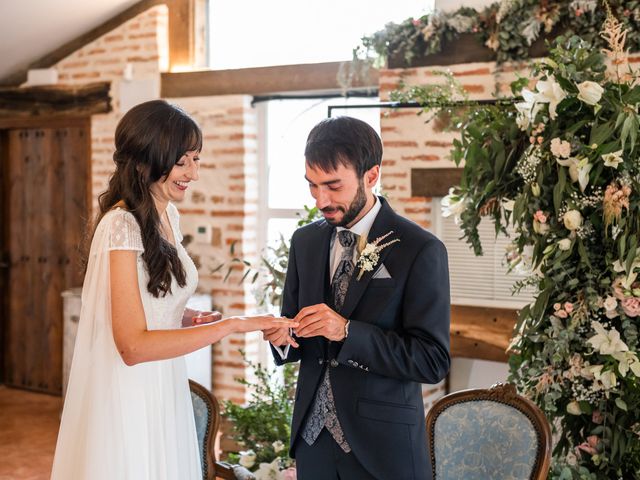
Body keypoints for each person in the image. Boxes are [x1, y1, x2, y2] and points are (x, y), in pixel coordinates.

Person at [51, 99, 295, 480]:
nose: (193, 173)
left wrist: (183, 317)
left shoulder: (168, 214)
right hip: (129, 391)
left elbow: (144, 301)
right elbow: (132, 347)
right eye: (183, 161)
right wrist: (231, 325)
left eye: (196, 159)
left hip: (163, 383)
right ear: (146, 161)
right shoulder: (121, 225)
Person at [263, 116, 451, 480]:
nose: (321, 200)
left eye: (333, 186)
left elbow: (432, 361)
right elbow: (296, 329)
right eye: (313, 186)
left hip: (384, 450)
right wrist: (283, 339)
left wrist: (348, 332)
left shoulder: (420, 249)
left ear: (371, 175)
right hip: (312, 443)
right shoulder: (305, 242)